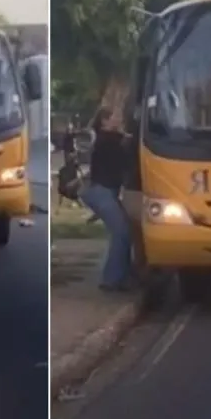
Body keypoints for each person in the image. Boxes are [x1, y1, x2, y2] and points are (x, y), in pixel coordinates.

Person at [78, 106, 132, 292]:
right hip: (101, 192)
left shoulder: (111, 139)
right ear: (105, 121)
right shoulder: (108, 141)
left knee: (125, 231)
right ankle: (110, 280)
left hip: (104, 191)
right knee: (121, 232)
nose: (119, 120)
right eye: (115, 117)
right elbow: (124, 157)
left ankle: (123, 276)